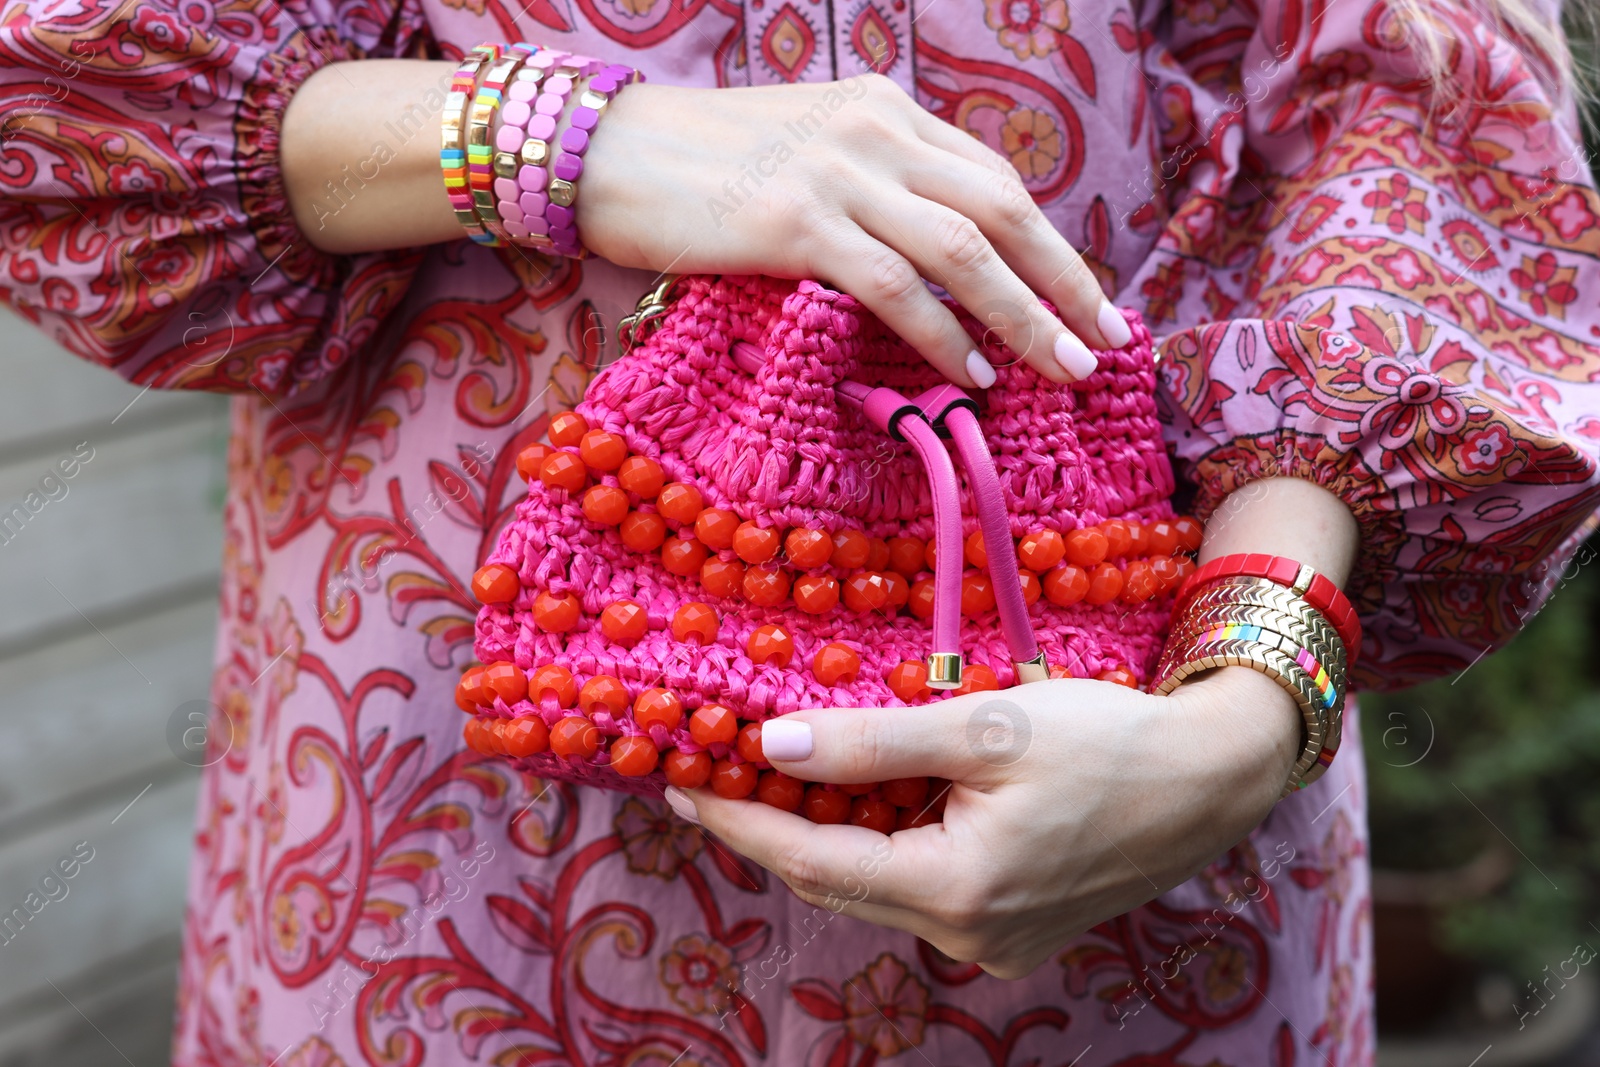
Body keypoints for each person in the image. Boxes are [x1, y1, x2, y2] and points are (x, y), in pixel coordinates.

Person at [1, 0, 1597, 1060]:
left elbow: (1388, 136)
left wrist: (1252, 710)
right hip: (436, 856)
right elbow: (81, 107)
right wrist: (576, 140)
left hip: (1144, 832)